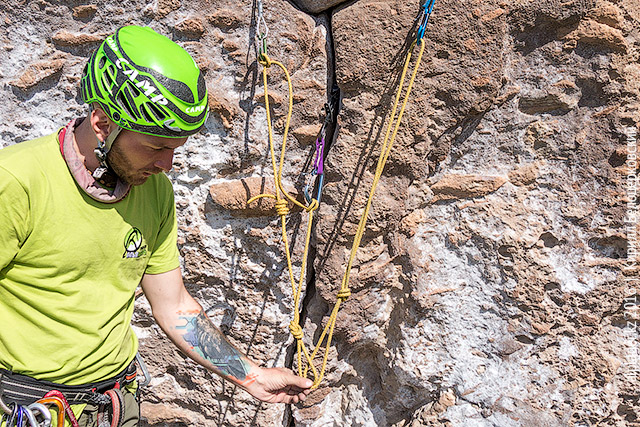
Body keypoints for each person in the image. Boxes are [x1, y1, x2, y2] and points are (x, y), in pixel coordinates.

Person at [0, 25, 312, 426]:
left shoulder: (154, 192)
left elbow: (175, 305)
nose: (167, 165)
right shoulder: (16, 181)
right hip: (27, 410)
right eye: (155, 146)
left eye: (175, 149)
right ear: (102, 122)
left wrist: (250, 376)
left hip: (113, 407)